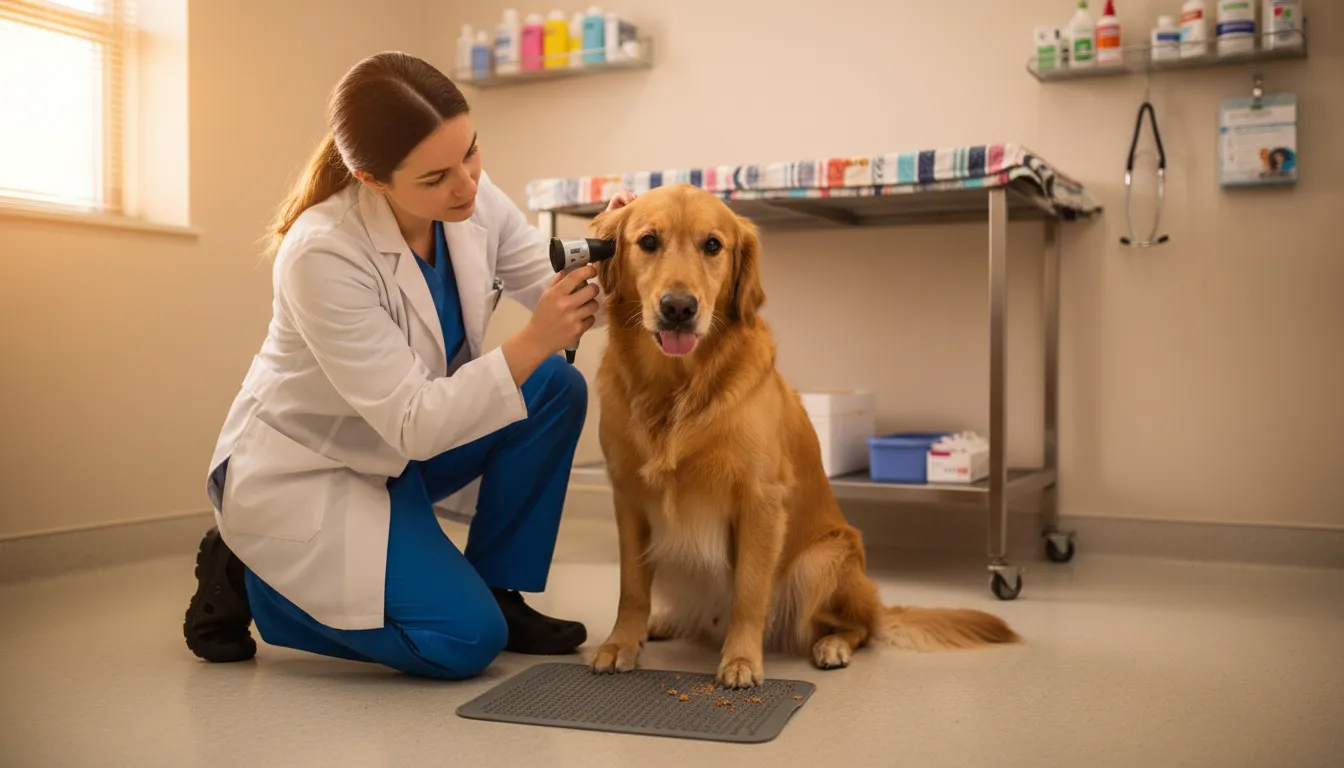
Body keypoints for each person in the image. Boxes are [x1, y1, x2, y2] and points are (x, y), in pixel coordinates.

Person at [182, 51, 634, 680]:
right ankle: (253, 582)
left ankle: (499, 587)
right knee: (463, 641)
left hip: (404, 453)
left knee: (554, 386)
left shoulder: (471, 200)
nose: (467, 185)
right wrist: (533, 338)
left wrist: (641, 249)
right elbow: (414, 423)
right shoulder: (323, 252)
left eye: (471, 153)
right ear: (371, 179)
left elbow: (565, 292)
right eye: (436, 177)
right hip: (321, 467)